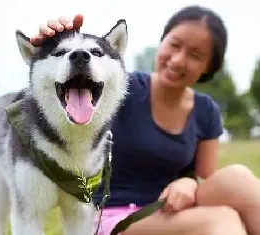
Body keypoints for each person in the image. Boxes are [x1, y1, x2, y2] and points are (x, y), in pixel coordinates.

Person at [30, 5, 260, 235]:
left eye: (195, 55)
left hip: (170, 210)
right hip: (111, 217)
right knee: (221, 220)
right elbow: (58, 107)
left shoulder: (206, 110)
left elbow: (205, 178)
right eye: (175, 44)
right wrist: (54, 52)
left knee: (237, 177)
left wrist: (189, 183)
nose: (179, 60)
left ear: (209, 66)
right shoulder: (115, 89)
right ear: (163, 40)